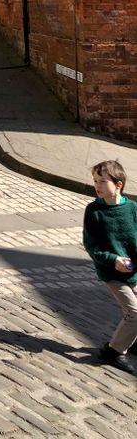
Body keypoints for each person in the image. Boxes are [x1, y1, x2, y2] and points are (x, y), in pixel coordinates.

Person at [83, 159, 137, 374]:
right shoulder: (94, 211)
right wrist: (114, 260)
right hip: (112, 273)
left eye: (102, 181)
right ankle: (113, 351)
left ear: (119, 184)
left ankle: (132, 340)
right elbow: (92, 246)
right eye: (95, 181)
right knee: (134, 313)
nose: (97, 185)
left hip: (135, 270)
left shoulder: (133, 209)